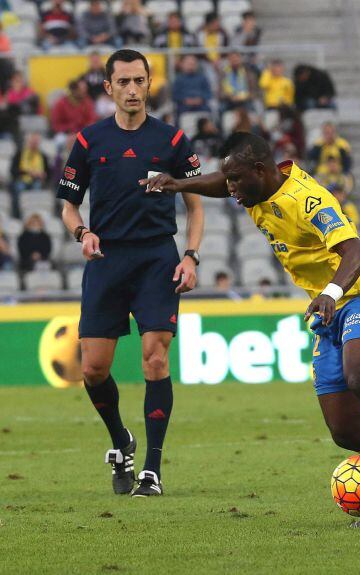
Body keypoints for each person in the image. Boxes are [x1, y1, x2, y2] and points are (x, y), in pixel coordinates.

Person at [141, 131, 360, 527]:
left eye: (235, 180)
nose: (230, 188)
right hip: (327, 312)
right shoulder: (252, 188)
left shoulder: (308, 200)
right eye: (228, 180)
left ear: (259, 171)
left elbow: (355, 251)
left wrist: (332, 293)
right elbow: (221, 181)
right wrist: (177, 184)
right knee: (347, 431)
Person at [57, 49, 204, 498]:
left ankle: (152, 471)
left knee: (155, 359)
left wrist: (191, 256)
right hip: (106, 260)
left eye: (139, 80)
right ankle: (121, 441)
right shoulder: (89, 140)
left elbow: (196, 206)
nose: (133, 89)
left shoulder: (172, 139)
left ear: (149, 83)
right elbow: (68, 207)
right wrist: (82, 233)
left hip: (157, 258)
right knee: (93, 369)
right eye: (123, 82)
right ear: (109, 88)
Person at [11, 132, 50, 216]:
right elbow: (13, 170)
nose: (34, 144)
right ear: (27, 142)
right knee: (20, 188)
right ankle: (18, 214)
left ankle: (35, 213)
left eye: (36, 142)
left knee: (37, 188)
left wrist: (43, 175)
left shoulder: (43, 156)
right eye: (32, 142)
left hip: (38, 181)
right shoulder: (19, 154)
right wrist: (28, 172)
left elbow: (48, 173)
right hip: (21, 179)